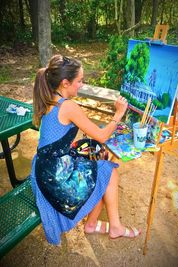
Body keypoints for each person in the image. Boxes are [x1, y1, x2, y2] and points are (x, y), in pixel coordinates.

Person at [31, 54, 141, 245]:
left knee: (98, 163)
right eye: (79, 81)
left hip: (44, 166)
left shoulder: (50, 97)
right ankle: (114, 227)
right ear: (65, 83)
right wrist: (119, 113)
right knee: (107, 172)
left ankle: (92, 224)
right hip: (54, 176)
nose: (82, 85)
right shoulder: (68, 107)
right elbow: (102, 136)